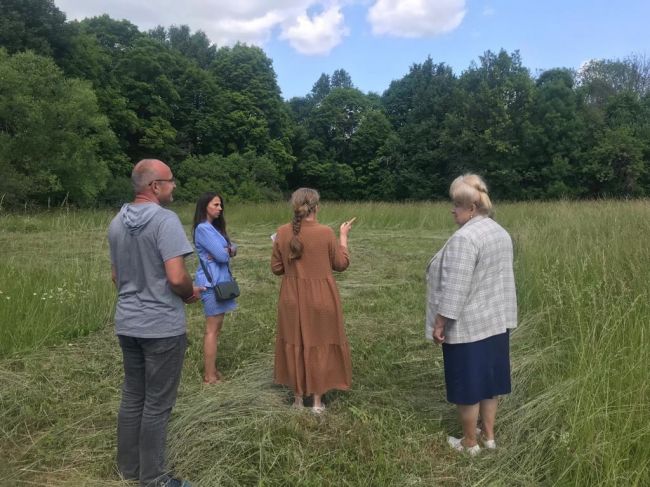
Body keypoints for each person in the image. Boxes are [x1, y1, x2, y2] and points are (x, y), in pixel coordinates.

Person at [108, 159, 200, 487]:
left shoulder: (117, 222)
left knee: (134, 395)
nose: (174, 186)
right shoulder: (165, 220)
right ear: (155, 187)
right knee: (158, 404)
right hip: (161, 326)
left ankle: (128, 469)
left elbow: (117, 277)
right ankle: (155, 477)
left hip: (128, 322)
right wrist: (190, 294)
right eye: (170, 181)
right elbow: (176, 277)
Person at [425, 174, 517, 455]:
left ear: (472, 208)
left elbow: (455, 288)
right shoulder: (499, 231)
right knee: (490, 383)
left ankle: (469, 442)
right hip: (496, 321)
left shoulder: (465, 238)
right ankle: (488, 436)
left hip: (468, 326)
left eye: (456, 204)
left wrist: (440, 322)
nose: (452, 210)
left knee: (467, 386)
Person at [271, 188, 355, 413]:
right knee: (320, 344)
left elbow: (276, 269)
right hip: (322, 299)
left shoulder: (281, 232)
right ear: (317, 207)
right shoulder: (327, 233)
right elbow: (341, 264)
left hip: (291, 299)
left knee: (295, 343)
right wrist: (344, 237)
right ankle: (317, 403)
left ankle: (298, 400)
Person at [192, 192, 238, 384]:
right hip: (211, 284)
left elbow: (232, 248)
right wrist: (225, 251)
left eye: (221, 205)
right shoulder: (203, 229)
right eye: (216, 205)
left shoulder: (215, 229)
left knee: (217, 329)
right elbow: (222, 255)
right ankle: (209, 376)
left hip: (221, 282)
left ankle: (213, 370)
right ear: (205, 207)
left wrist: (227, 250)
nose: (220, 208)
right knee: (212, 330)